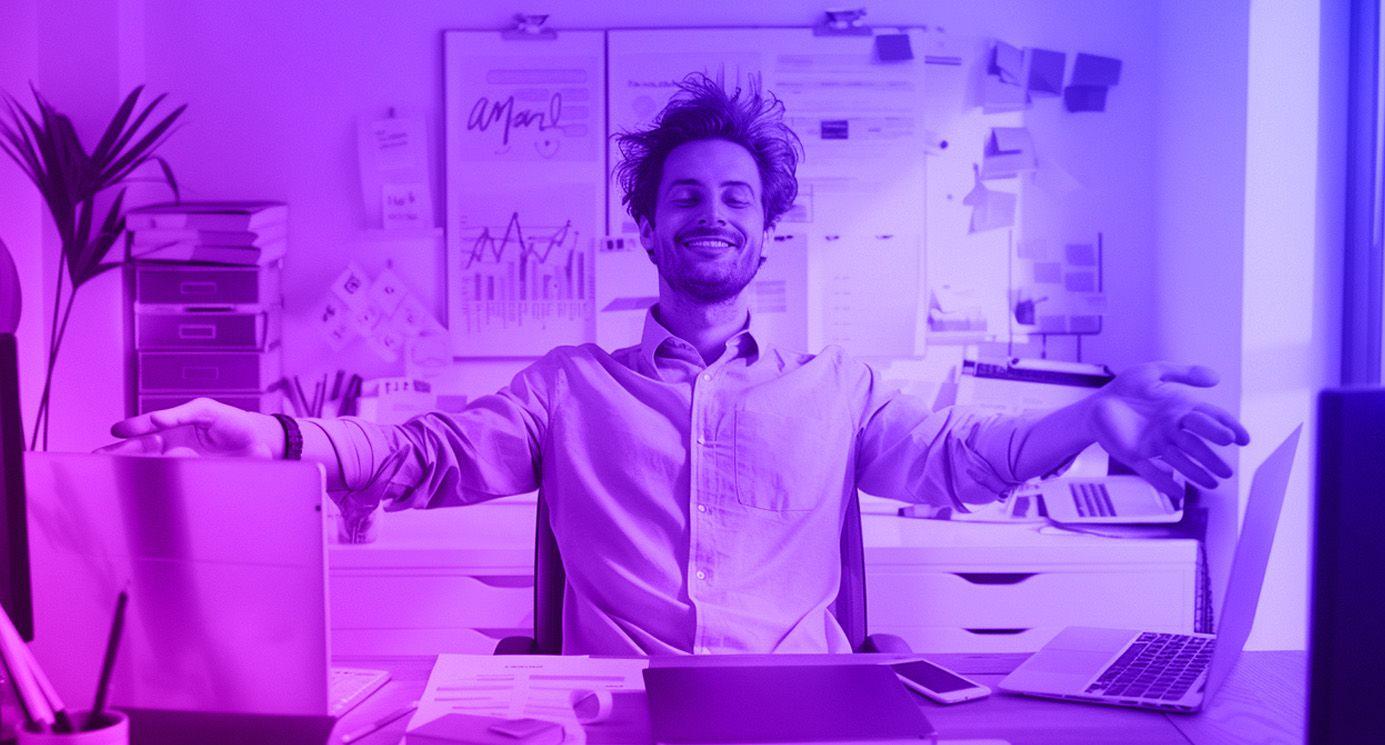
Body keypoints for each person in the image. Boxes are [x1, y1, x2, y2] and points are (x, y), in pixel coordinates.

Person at [102, 74, 1250, 655]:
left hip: (798, 715)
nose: (709, 214)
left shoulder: (835, 387)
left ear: (766, 234)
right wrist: (285, 436)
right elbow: (423, 452)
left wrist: (1093, 423)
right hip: (619, 715)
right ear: (646, 231)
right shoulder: (567, 386)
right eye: (682, 198)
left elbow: (960, 460)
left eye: (734, 199)